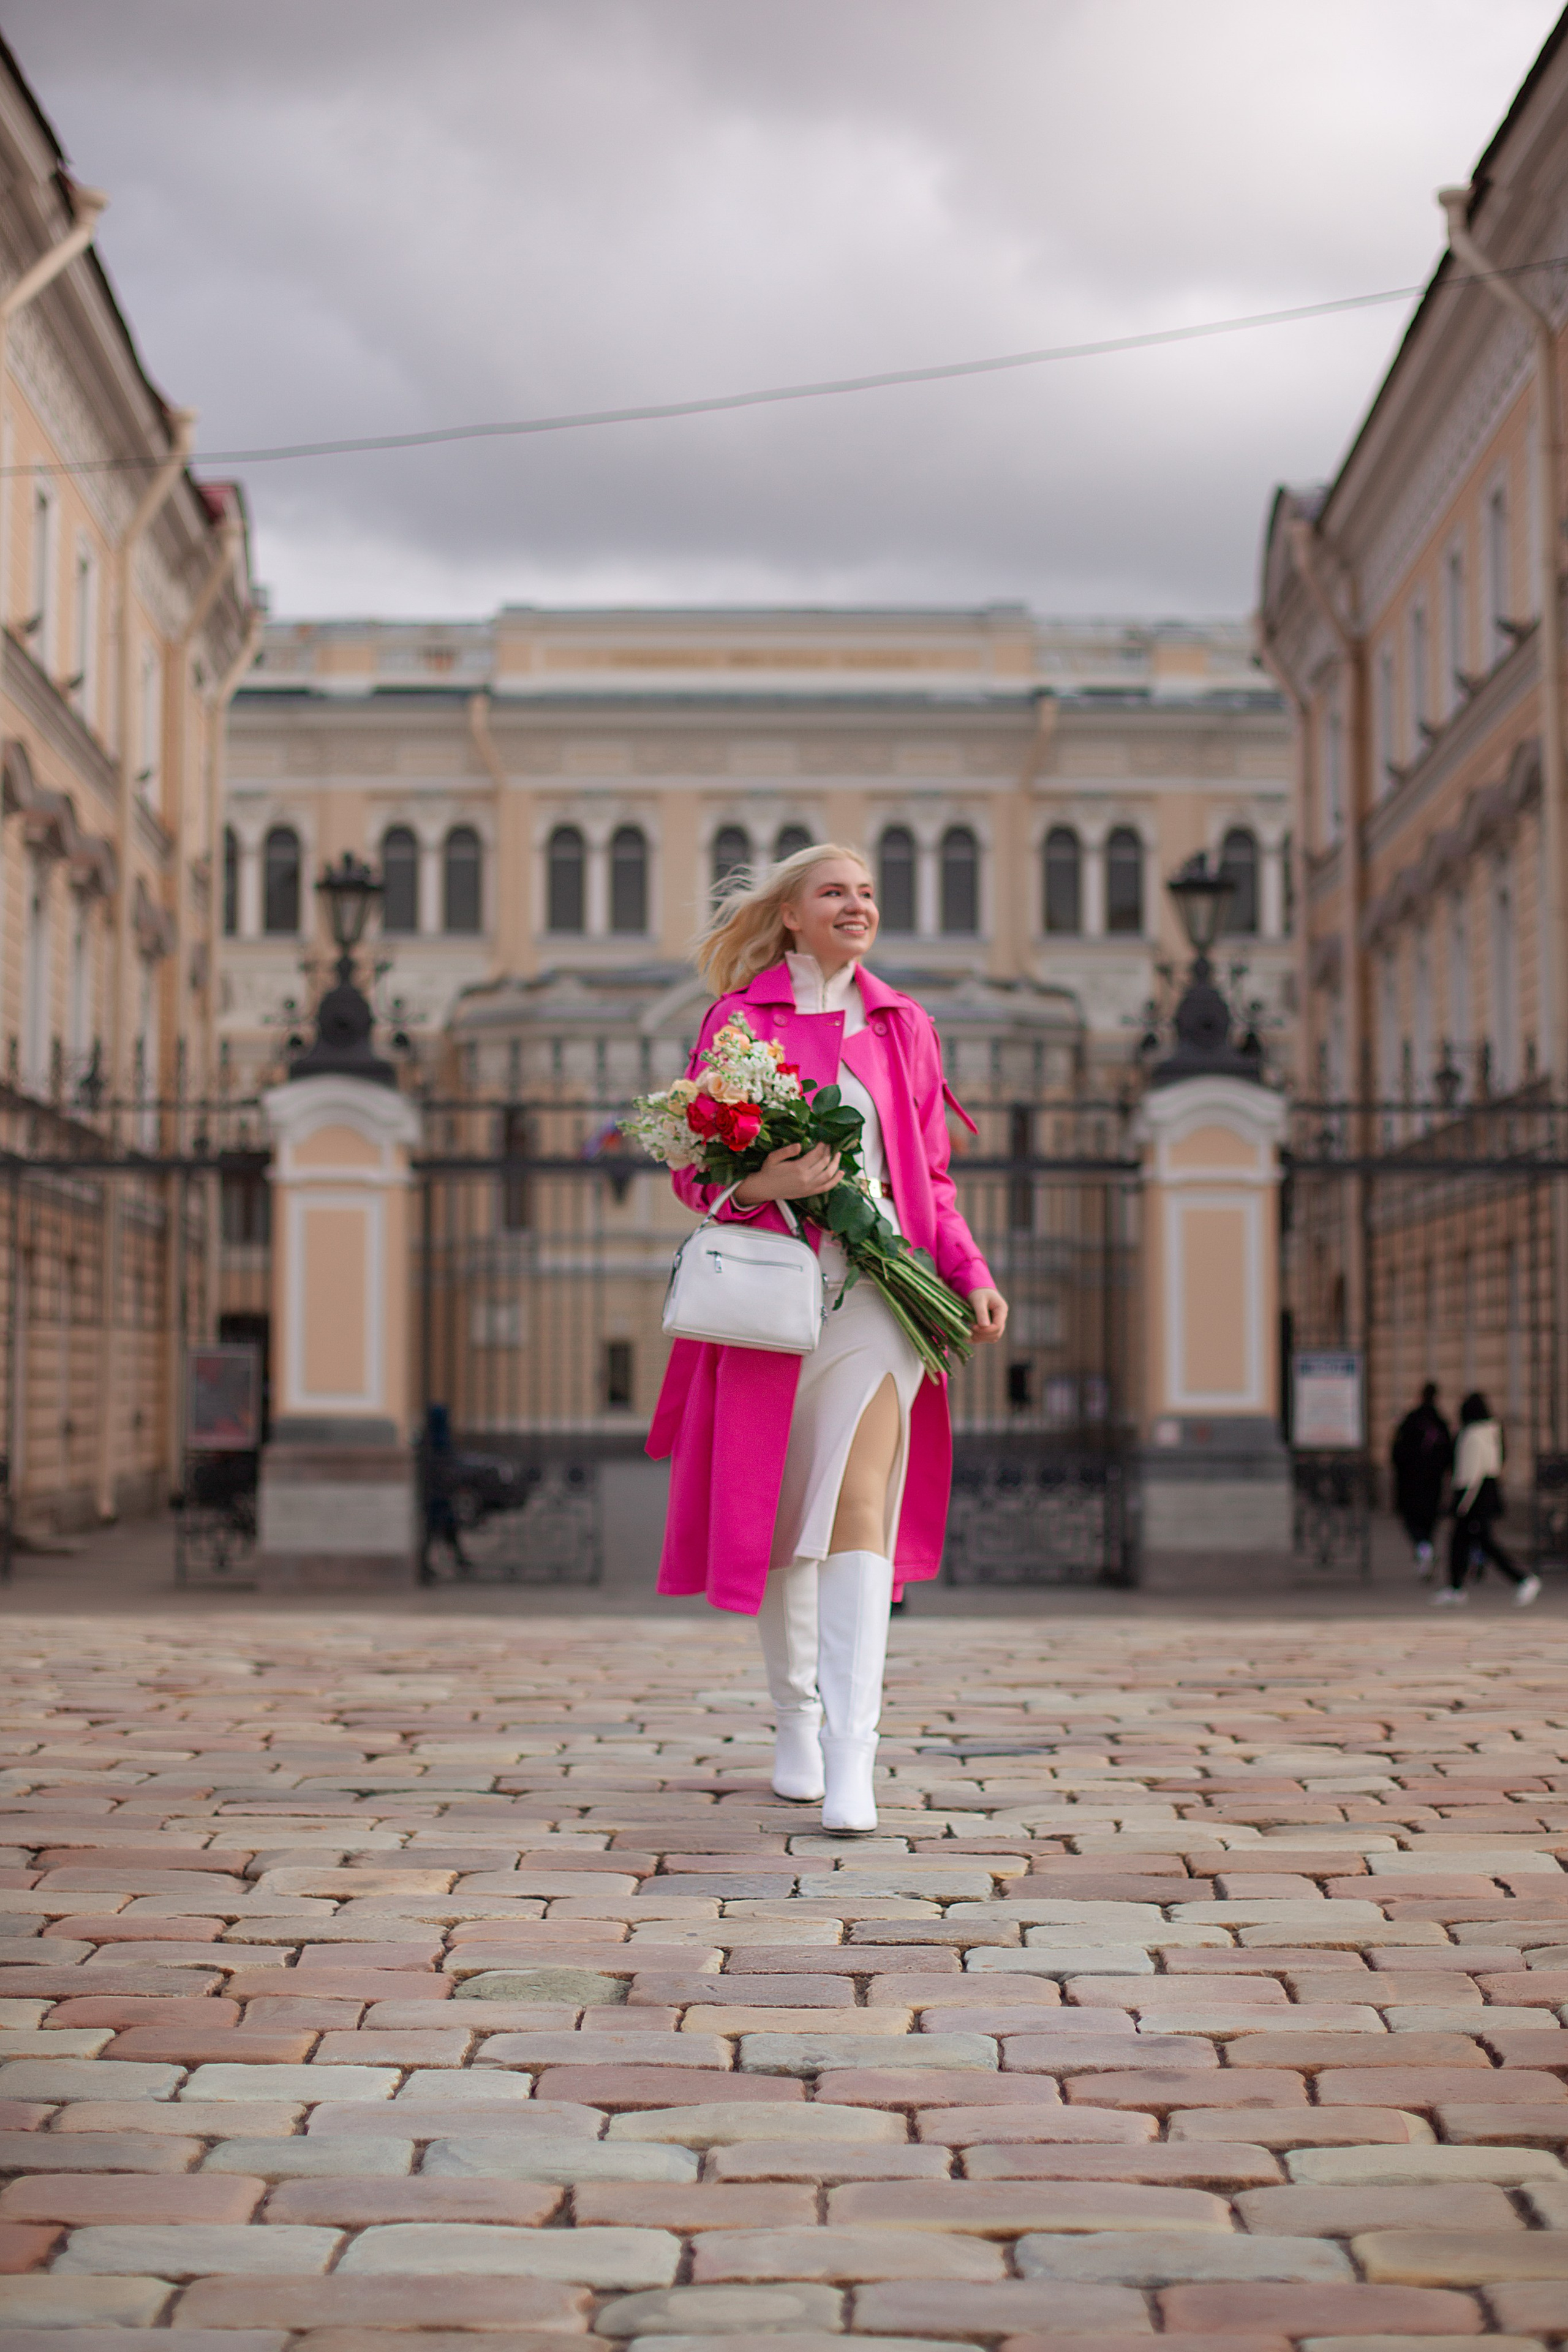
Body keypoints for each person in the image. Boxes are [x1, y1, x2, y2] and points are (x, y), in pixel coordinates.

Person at [646, 842, 1008, 1831]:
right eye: (834, 892)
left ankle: (856, 1759)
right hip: (772, 1296)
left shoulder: (904, 1025)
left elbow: (932, 1175)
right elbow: (692, 1168)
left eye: (868, 893)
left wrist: (970, 1272)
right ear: (791, 914)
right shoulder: (739, 1020)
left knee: (858, 1509)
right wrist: (764, 1184)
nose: (857, 905)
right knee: (778, 1519)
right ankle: (796, 1721)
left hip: (881, 1292)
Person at [1433, 1390, 1541, 1607]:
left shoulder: (1472, 1434)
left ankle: (1523, 1579)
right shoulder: (1492, 1432)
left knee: (1483, 1543)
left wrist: (1462, 1505)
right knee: (1463, 1542)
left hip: (1473, 1496)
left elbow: (1470, 1474)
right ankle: (1456, 1587)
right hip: (1486, 1492)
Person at [1390, 1382, 1451, 1579]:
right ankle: (1426, 1548)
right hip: (1433, 1482)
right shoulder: (1440, 1423)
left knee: (1411, 1520)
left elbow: (1397, 1451)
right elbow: (1448, 1455)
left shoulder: (1411, 1420)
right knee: (1430, 1520)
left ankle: (1423, 1548)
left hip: (1410, 1482)